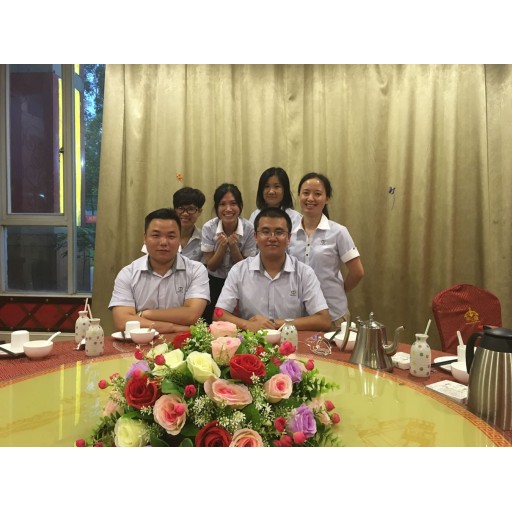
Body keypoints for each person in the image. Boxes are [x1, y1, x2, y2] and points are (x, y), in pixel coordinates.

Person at [214, 207, 332, 332]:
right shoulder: (239, 270)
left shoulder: (304, 273)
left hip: (291, 341)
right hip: (252, 341)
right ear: (255, 236)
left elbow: (324, 320)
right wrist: (247, 325)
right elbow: (218, 314)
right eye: (265, 232)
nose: (272, 238)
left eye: (279, 232)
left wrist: (275, 324)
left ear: (288, 238)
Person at [109, 208, 210, 334]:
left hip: (181, 344)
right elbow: (122, 322)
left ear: (179, 239)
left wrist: (144, 314)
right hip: (139, 344)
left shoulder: (196, 270)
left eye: (171, 236)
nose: (163, 242)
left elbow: (192, 315)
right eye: (156, 235)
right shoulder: (128, 274)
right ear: (145, 238)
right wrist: (173, 328)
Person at [289, 172, 364, 330]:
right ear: (299, 195)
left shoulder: (338, 232)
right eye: (306, 193)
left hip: (333, 314)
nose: (310, 198)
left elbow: (357, 272)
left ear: (327, 198)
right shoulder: (289, 232)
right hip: (299, 315)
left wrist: (339, 290)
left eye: (317, 194)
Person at [201, 183, 258, 323]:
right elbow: (211, 266)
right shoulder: (209, 227)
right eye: (222, 204)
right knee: (213, 323)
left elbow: (246, 267)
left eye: (233, 203)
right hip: (214, 282)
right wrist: (222, 247)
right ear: (216, 207)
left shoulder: (249, 228)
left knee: (240, 323)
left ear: (240, 206)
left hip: (241, 283)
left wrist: (233, 247)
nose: (228, 209)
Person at [141, 187, 205, 261]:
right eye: (181, 208)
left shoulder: (204, 238)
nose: (185, 214)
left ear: (199, 212)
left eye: (191, 209)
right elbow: (145, 262)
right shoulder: (157, 234)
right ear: (174, 210)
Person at [248, 167, 302, 232]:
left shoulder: (295, 217)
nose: (271, 191)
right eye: (267, 186)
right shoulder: (255, 215)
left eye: (277, 186)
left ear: (285, 190)